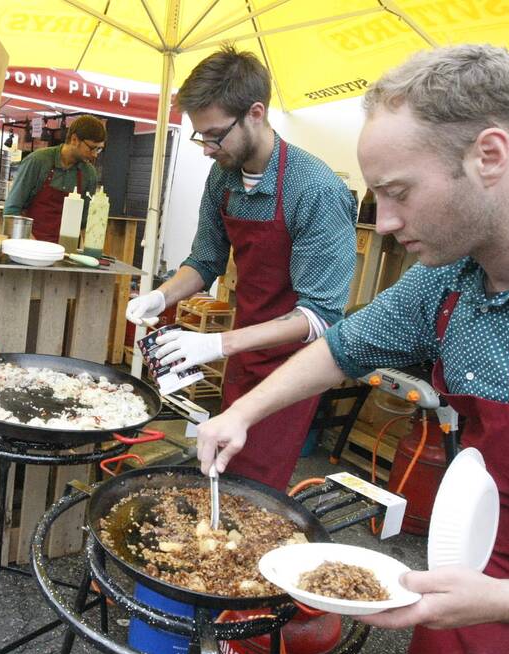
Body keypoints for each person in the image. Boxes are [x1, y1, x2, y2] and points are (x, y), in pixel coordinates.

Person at [196, 45, 509, 654]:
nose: (387, 224)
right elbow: (341, 348)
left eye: (399, 193)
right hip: (460, 605)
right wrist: (239, 415)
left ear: (489, 155)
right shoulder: (446, 279)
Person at [127, 46, 356, 491]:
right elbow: (205, 260)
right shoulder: (224, 176)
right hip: (242, 350)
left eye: (215, 135)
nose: (207, 149)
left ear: (256, 113)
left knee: (257, 487)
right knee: (222, 468)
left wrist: (216, 343)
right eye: (201, 137)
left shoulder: (316, 190)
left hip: (296, 365)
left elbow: (319, 317)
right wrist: (161, 295)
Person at [2, 114, 104, 242]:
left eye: (99, 149)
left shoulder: (89, 174)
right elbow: (11, 210)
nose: (95, 154)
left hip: (65, 251)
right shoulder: (38, 161)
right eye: (92, 148)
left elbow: (84, 223)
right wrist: (32, 246)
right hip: (29, 246)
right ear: (74, 139)